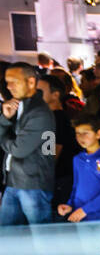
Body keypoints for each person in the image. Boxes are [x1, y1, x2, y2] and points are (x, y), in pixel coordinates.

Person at [0, 62, 56, 225]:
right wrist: (4, 119)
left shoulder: (39, 112)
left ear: (31, 82)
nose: (9, 86)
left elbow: (18, 149)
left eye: (14, 81)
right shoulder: (19, 106)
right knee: (8, 238)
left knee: (41, 240)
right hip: (16, 181)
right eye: (7, 81)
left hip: (33, 184)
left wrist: (2, 133)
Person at [58, 115, 100, 222]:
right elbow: (76, 186)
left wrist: (84, 210)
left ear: (98, 134)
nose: (81, 137)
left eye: (85, 133)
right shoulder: (77, 159)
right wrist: (69, 205)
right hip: (79, 216)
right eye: (77, 133)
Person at [36, 72, 76, 205]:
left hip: (58, 180)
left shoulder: (56, 118)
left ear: (56, 95)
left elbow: (52, 154)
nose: (36, 94)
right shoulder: (54, 117)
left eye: (40, 91)